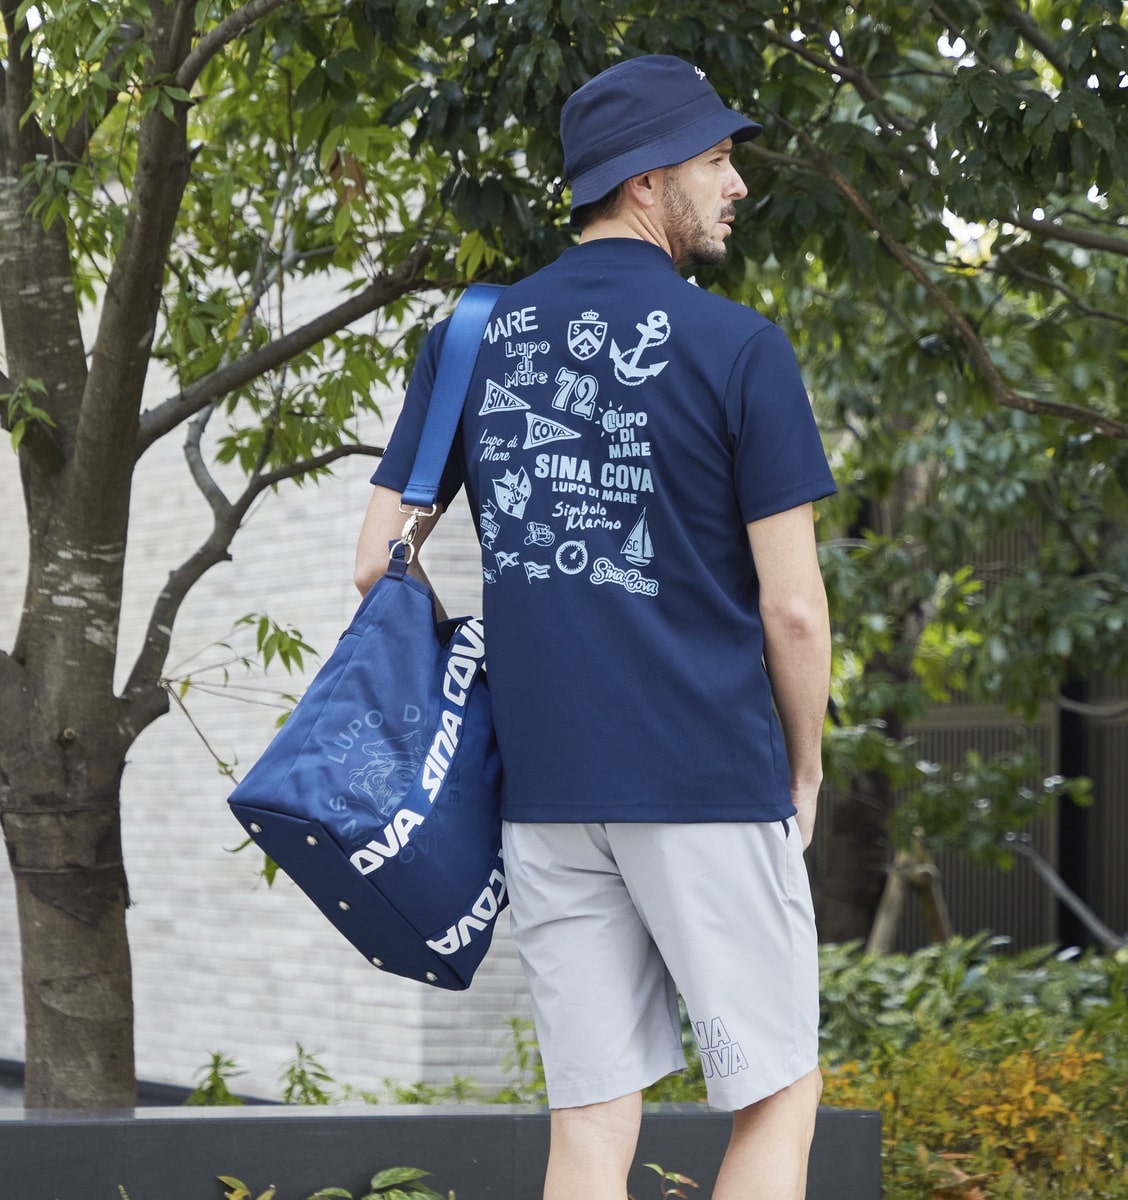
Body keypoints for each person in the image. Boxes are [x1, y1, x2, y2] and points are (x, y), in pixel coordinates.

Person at [356, 54, 836, 1200]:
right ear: (644, 181)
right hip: (706, 777)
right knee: (777, 1092)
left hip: (547, 793)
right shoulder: (740, 348)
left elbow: (377, 561)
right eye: (715, 161)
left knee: (590, 1119)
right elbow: (792, 609)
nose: (736, 185)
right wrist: (807, 770)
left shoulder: (473, 337)